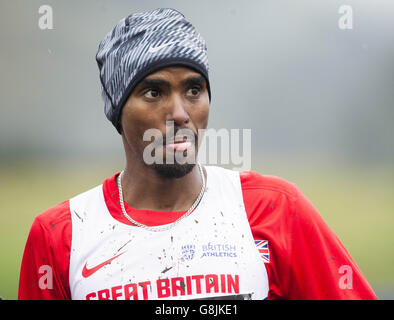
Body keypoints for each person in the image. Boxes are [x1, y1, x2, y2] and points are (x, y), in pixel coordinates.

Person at [18, 8, 377, 300]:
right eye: (153, 92)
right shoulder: (60, 235)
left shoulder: (275, 209)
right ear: (117, 108)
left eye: (193, 89)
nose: (179, 113)